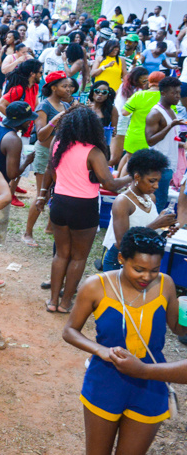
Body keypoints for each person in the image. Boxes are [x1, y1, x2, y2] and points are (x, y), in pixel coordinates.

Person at [63, 227, 186, 455]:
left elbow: (178, 329)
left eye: (154, 270)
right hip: (106, 380)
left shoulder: (165, 284)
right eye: (139, 269)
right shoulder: (96, 286)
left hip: (151, 383)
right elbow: (70, 331)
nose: (147, 277)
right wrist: (100, 350)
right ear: (121, 258)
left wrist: (185, 315)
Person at [39, 106, 131, 313]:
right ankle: (65, 304)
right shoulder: (93, 152)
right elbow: (110, 184)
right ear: (92, 127)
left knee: (61, 254)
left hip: (60, 203)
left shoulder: (57, 144)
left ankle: (52, 301)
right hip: (84, 206)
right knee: (78, 257)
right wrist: (131, 177)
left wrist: (48, 192)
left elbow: (52, 170)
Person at [101, 149, 175, 271]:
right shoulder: (123, 202)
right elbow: (122, 242)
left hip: (142, 259)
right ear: (137, 177)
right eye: (152, 181)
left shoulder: (151, 198)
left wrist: (165, 229)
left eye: (158, 181)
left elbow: (148, 232)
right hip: (120, 261)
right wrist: (156, 224)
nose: (156, 186)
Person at [23, 71, 72, 248]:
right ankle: (27, 233)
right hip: (45, 153)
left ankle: (50, 227)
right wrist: (56, 119)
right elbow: (41, 135)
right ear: (53, 88)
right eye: (64, 86)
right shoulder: (44, 106)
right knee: (42, 194)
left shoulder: (66, 105)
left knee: (57, 192)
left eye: (69, 86)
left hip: (61, 154)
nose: (69, 89)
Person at [0, 102, 37, 254]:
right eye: (28, 120)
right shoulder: (13, 140)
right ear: (21, 121)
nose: (30, 123)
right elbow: (12, 174)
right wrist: (27, 161)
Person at [145, 76, 186, 213]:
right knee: (158, 199)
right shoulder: (155, 113)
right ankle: (152, 224)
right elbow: (150, 140)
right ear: (163, 93)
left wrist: (181, 141)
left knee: (162, 198)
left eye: (179, 93)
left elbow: (170, 138)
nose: (178, 96)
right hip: (158, 164)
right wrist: (171, 126)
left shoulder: (172, 111)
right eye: (174, 93)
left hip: (170, 163)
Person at [112, 66, 149, 167]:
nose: (146, 82)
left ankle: (118, 175)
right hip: (122, 123)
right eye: (144, 80)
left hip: (120, 121)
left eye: (147, 80)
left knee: (127, 155)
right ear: (136, 78)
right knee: (115, 157)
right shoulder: (138, 91)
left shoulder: (124, 86)